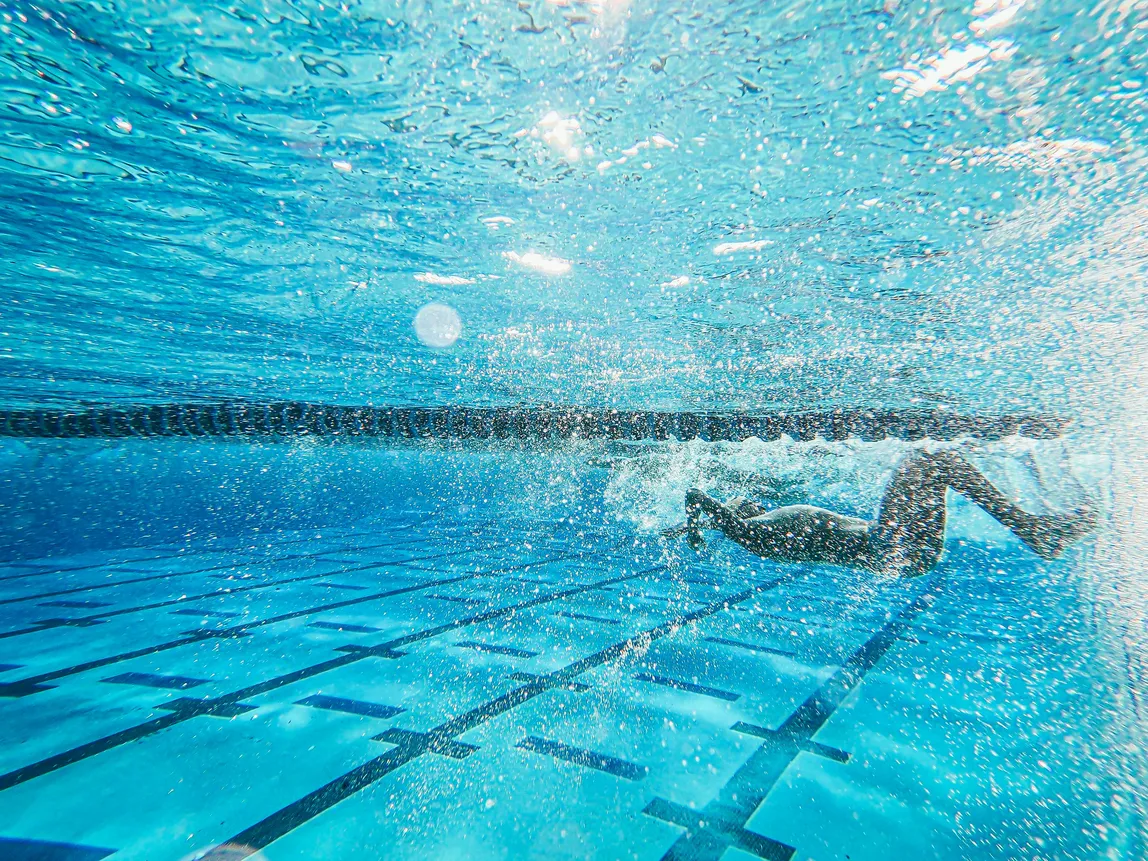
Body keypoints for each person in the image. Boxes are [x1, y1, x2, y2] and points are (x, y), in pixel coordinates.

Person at [662, 450, 1096, 576]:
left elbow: (725, 505)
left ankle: (1034, 528)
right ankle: (1033, 529)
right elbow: (698, 495)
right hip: (893, 549)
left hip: (898, 549)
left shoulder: (757, 524)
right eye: (730, 510)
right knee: (929, 461)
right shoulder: (755, 535)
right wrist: (696, 524)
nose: (740, 501)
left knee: (935, 464)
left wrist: (692, 526)